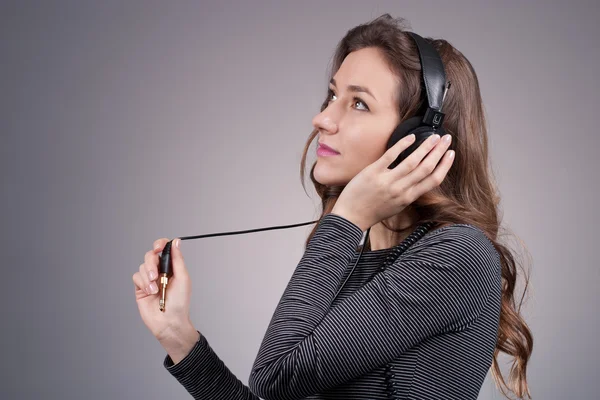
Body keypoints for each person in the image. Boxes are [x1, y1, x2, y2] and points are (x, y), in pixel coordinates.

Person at [133, 14, 533, 400]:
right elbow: (277, 385)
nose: (323, 118)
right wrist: (180, 339)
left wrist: (347, 217)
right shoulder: (352, 256)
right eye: (333, 95)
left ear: (418, 137)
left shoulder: (458, 256)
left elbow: (274, 379)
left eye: (358, 103)